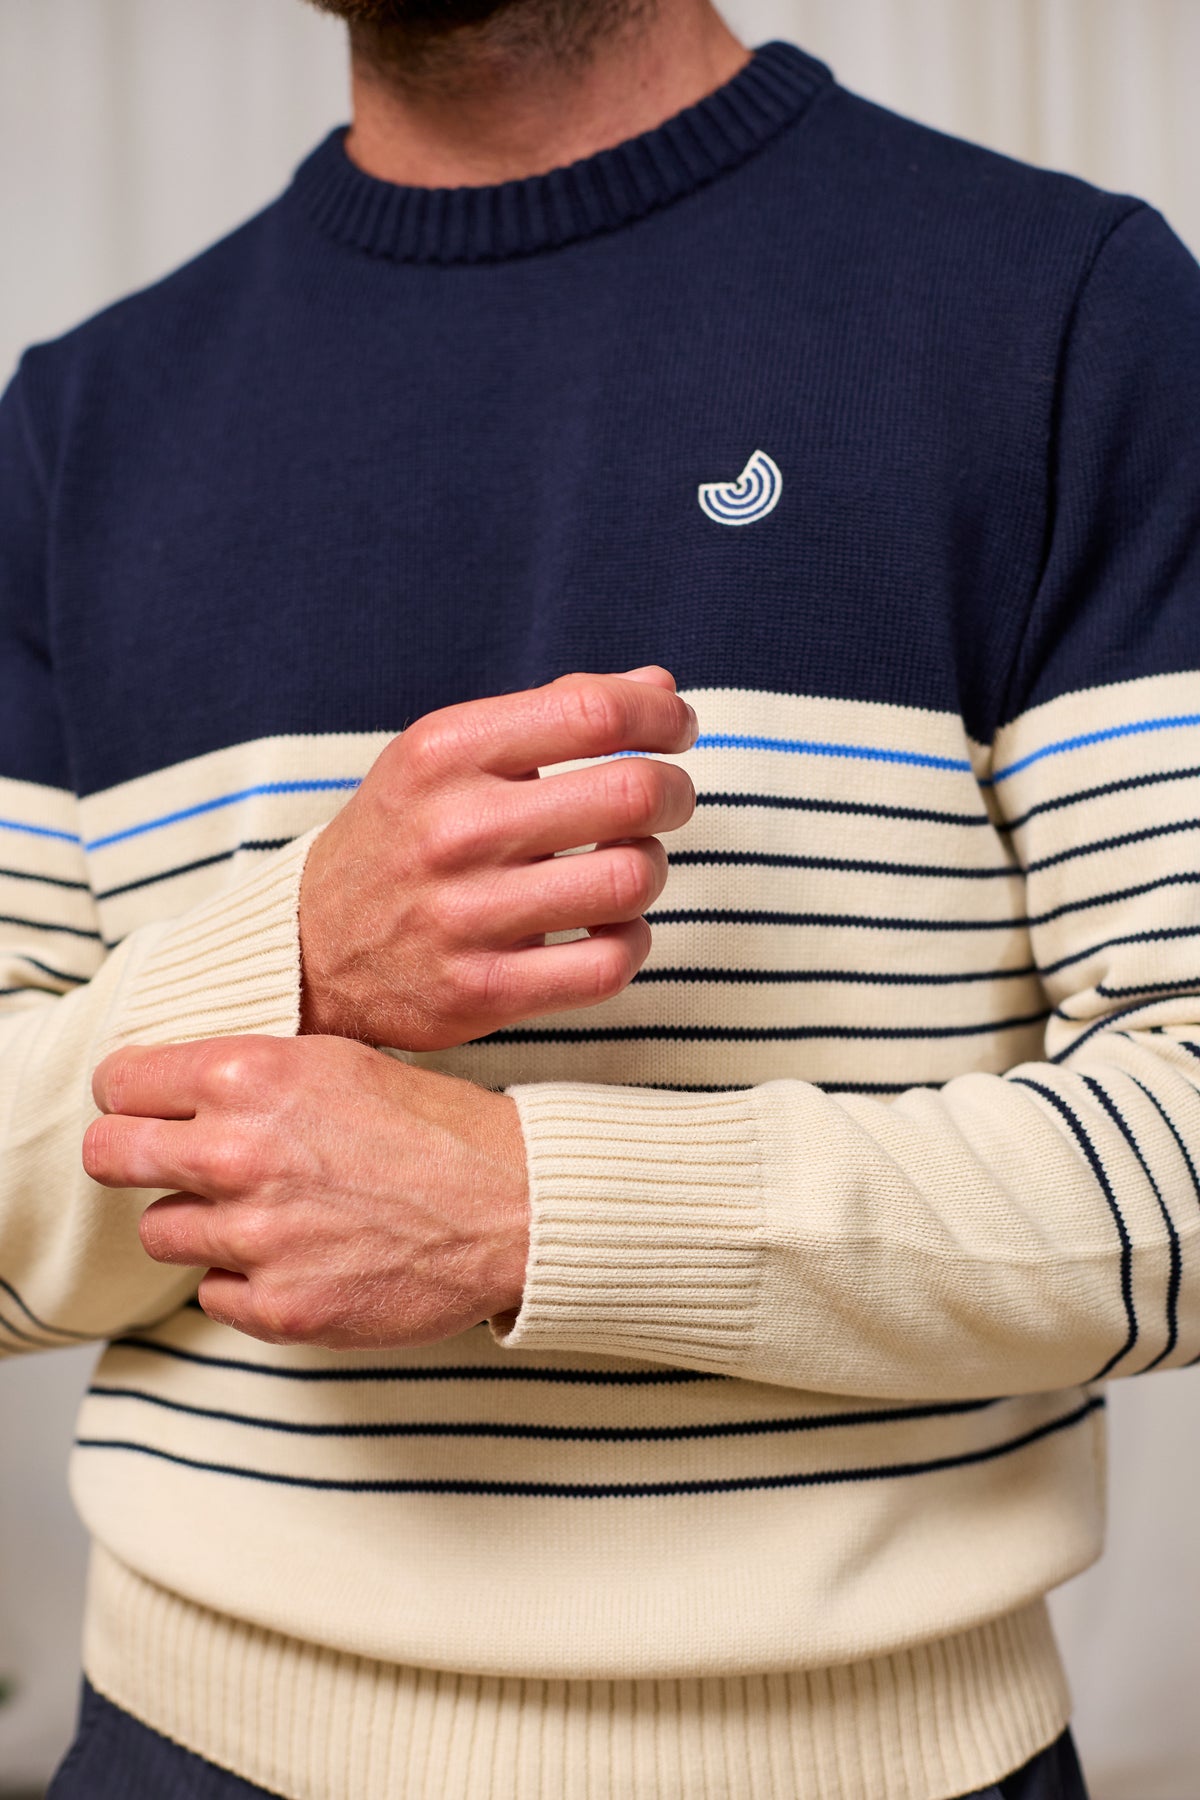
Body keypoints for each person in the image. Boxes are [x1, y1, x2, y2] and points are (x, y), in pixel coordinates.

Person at [2, 0, 1198, 1793]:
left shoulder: (1065, 313)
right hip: (178, 1749)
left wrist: (525, 1210)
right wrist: (297, 964)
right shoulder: (82, 420)